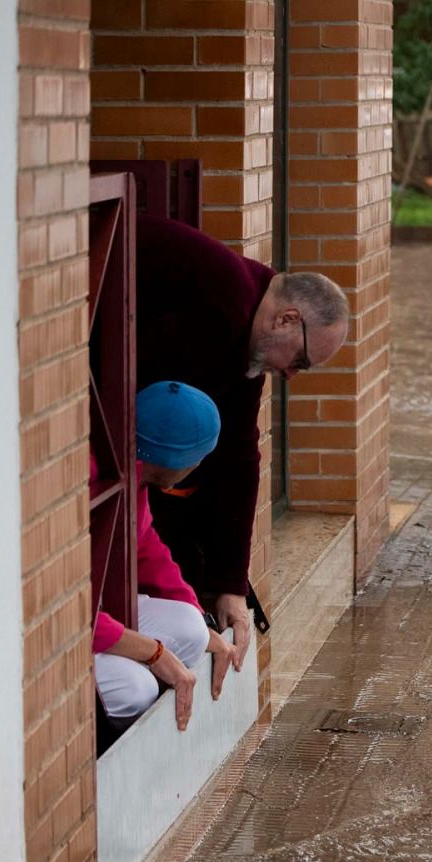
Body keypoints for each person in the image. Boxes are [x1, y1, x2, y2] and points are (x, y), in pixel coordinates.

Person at [136, 215, 351, 672]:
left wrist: (230, 583)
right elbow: (130, 403)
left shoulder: (247, 321)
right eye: (302, 360)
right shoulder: (224, 305)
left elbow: (239, 453)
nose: (292, 374)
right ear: (288, 318)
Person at [94, 381, 241, 731]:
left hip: (96, 617)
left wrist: (207, 629)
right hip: (62, 631)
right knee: (135, 688)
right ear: (182, 461)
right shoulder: (96, 482)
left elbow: (149, 551)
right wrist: (154, 654)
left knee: (191, 630)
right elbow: (68, 614)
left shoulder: (134, 479)